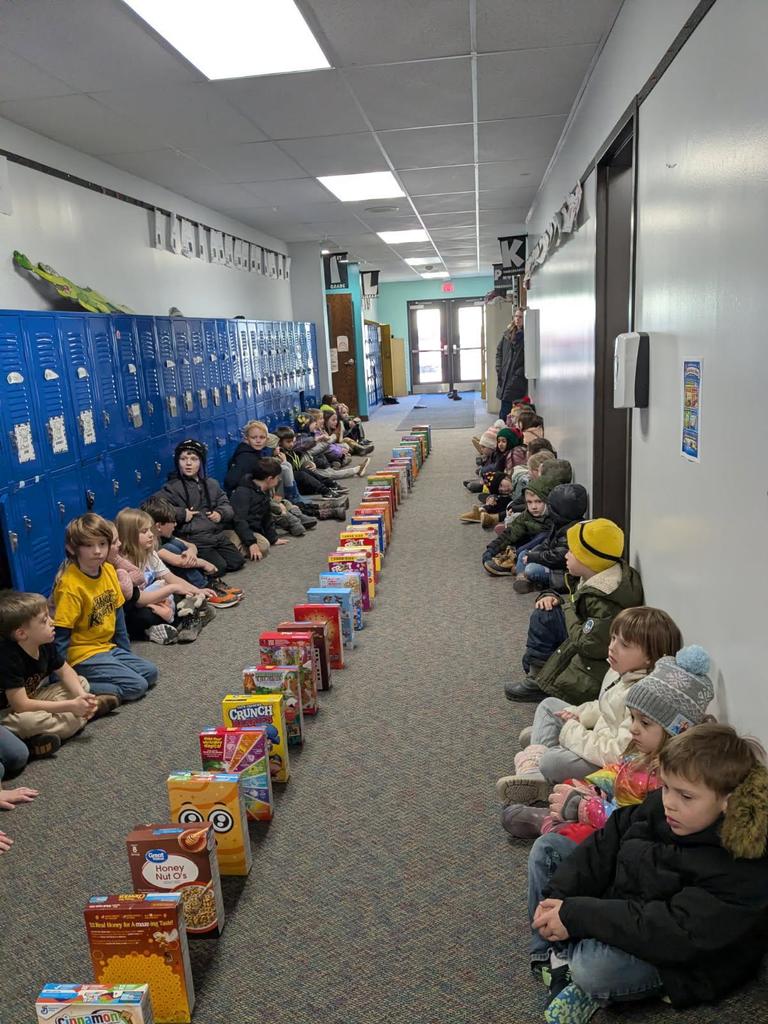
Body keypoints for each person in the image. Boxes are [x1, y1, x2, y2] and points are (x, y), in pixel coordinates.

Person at [528, 723, 768, 1020]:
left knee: (595, 969)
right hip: (628, 908)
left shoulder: (741, 867)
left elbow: (671, 932)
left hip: (677, 956)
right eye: (666, 786)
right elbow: (608, 840)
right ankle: (556, 958)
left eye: (686, 796)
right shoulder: (665, 807)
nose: (669, 803)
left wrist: (577, 915)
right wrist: (560, 899)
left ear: (727, 802)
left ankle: (564, 960)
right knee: (547, 849)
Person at [498, 618, 687, 824]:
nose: (612, 647)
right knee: (549, 705)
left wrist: (571, 732)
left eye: (624, 644)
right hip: (595, 736)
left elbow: (617, 753)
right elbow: (603, 705)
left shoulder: (642, 698)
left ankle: (540, 761)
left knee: (551, 760)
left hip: (607, 763)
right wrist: (579, 713)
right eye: (613, 638)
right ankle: (536, 767)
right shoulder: (618, 671)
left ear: (650, 657)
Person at [505, 518, 644, 704]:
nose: (566, 555)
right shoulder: (594, 576)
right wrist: (552, 596)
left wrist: (566, 607)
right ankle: (537, 673)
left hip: (592, 665)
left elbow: (589, 644)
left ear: (588, 560)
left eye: (572, 552)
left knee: (547, 617)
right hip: (583, 634)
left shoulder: (606, 599)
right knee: (545, 611)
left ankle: (540, 682)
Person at [52, 514, 158, 703]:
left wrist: (125, 655)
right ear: (72, 548)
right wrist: (59, 673)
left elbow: (118, 616)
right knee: (137, 686)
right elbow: (61, 635)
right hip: (81, 654)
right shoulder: (70, 586)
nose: (97, 551)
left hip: (106, 647)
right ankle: (72, 686)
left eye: (102, 544)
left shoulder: (108, 570)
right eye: (88, 545)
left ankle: (99, 684)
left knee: (150, 673)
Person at [0, 590, 117, 756]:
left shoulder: (44, 641)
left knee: (81, 682)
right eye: (44, 620)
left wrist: (81, 696)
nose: (52, 622)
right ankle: (83, 716)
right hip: (8, 712)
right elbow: (21, 705)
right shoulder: (8, 657)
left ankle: (64, 723)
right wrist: (71, 706)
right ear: (22, 634)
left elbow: (65, 671)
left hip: (35, 696)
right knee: (28, 722)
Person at [114, 510, 215, 644]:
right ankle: (179, 621)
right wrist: (172, 589)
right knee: (142, 617)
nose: (151, 534)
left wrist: (197, 590)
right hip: (139, 605)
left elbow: (170, 577)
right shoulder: (123, 565)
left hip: (156, 598)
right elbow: (139, 601)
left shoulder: (149, 554)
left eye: (150, 530)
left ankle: (178, 622)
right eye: (144, 531)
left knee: (183, 594)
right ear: (129, 535)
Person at [158, 439, 246, 577]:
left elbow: (226, 504)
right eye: (183, 459)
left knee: (237, 562)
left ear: (201, 462)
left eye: (194, 459)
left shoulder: (211, 484)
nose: (188, 463)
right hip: (195, 539)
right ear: (177, 462)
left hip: (216, 534)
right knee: (219, 568)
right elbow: (151, 507)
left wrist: (220, 513)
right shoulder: (172, 487)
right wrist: (182, 514)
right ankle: (193, 566)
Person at [140, 497, 242, 608]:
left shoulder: (165, 536)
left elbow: (191, 545)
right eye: (172, 521)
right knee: (172, 548)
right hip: (163, 581)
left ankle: (209, 584)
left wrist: (191, 553)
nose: (175, 524)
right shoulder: (152, 545)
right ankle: (204, 588)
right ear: (159, 526)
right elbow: (179, 561)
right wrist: (203, 562)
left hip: (175, 573)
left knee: (178, 545)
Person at [483, 473, 575, 577]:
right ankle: (510, 556)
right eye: (529, 502)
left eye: (538, 502)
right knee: (516, 534)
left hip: (543, 555)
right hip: (530, 549)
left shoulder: (556, 519)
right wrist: (491, 549)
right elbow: (510, 533)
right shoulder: (527, 515)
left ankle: (513, 560)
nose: (533, 507)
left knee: (544, 535)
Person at [512, 483, 590, 595]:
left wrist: (534, 557)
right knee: (523, 553)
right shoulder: (559, 522)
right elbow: (547, 543)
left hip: (562, 570)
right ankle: (523, 579)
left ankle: (529, 579)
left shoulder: (572, 530)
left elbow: (559, 557)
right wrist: (533, 552)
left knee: (531, 569)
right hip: (550, 559)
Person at [223, 419, 300, 502]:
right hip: (248, 500)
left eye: (262, 437)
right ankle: (292, 499)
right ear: (246, 438)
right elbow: (231, 482)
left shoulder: (253, 451)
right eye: (253, 437)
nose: (258, 441)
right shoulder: (246, 457)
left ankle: (292, 498)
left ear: (267, 439)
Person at [231, 458, 290, 562]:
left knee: (264, 545)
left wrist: (273, 538)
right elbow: (239, 520)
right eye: (277, 477)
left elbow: (266, 516)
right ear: (269, 479)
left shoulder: (262, 490)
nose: (279, 479)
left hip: (250, 529)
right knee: (263, 546)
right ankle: (232, 549)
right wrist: (251, 543)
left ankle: (242, 545)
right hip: (234, 529)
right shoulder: (242, 492)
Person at [495, 307, 527, 421]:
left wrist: (518, 373)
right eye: (516, 316)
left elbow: (528, 359)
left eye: (520, 317)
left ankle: (504, 430)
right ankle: (502, 430)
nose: (517, 319)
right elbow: (499, 352)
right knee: (505, 410)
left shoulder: (527, 336)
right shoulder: (507, 334)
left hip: (516, 378)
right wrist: (499, 369)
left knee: (511, 412)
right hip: (505, 376)